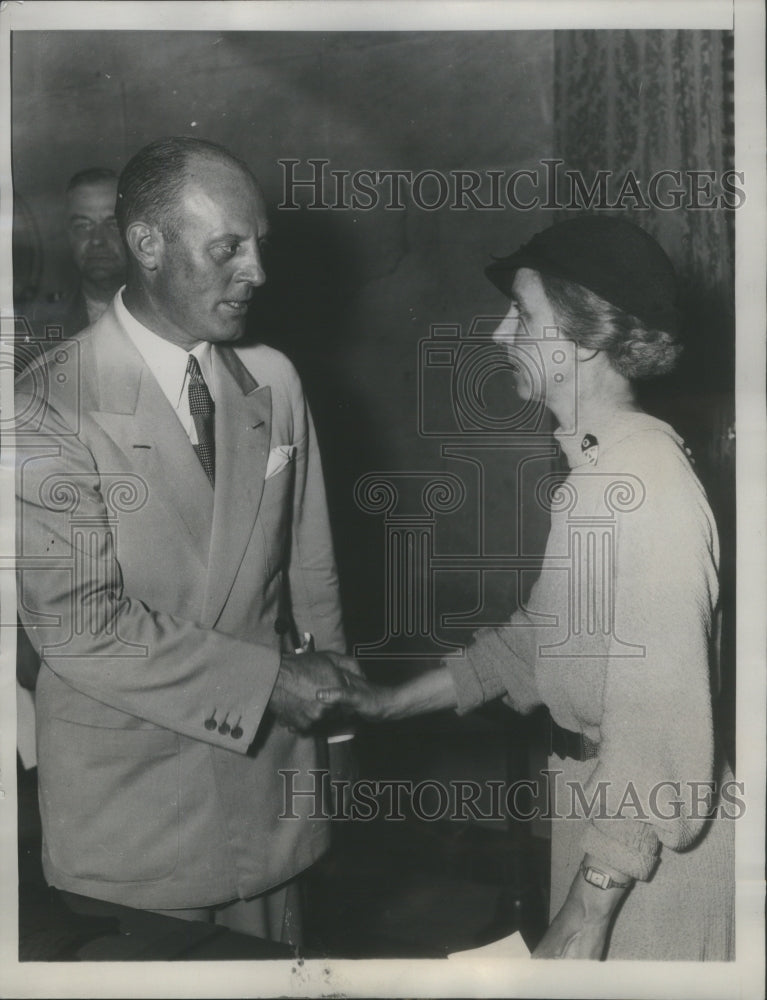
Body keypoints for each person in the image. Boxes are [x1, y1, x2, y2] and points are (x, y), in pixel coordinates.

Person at [319, 216, 735, 961]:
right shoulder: (599, 473)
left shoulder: (642, 486)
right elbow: (538, 639)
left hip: (644, 863)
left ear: (582, 337)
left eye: (524, 314)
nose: (499, 333)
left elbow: (658, 730)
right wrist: (385, 702)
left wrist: (586, 912)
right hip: (601, 823)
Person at [15, 136, 356, 944]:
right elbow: (79, 628)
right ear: (148, 244)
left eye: (258, 245)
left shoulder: (272, 379)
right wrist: (272, 683)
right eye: (227, 248)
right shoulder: (48, 405)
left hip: (271, 789)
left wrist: (338, 731)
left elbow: (312, 571)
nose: (257, 272)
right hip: (134, 813)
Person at [28, 167, 127, 341]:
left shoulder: (174, 317)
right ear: (68, 235)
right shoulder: (38, 325)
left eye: (112, 224)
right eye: (83, 225)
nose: (97, 239)